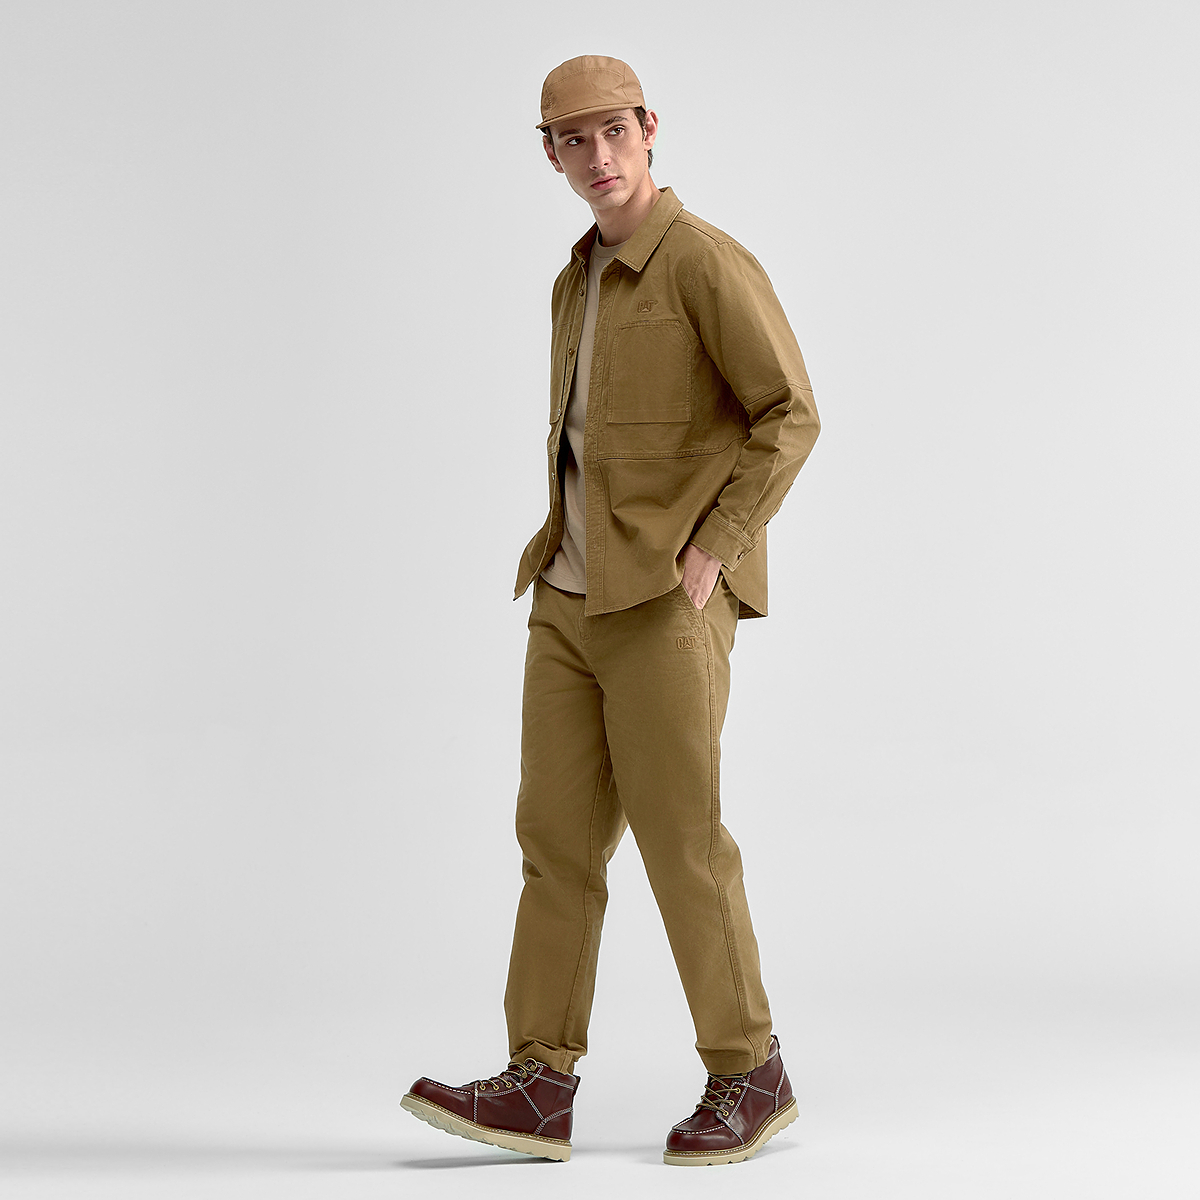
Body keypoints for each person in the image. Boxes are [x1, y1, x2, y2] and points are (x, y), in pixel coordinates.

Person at [402, 54, 820, 1167]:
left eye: (613, 132)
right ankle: (539, 1081)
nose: (597, 156)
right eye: (571, 140)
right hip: (567, 596)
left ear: (650, 128)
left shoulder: (704, 261)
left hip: (662, 602)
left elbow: (790, 414)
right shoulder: (576, 275)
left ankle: (750, 1069)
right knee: (554, 843)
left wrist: (713, 550)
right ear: (549, 154)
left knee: (683, 841)